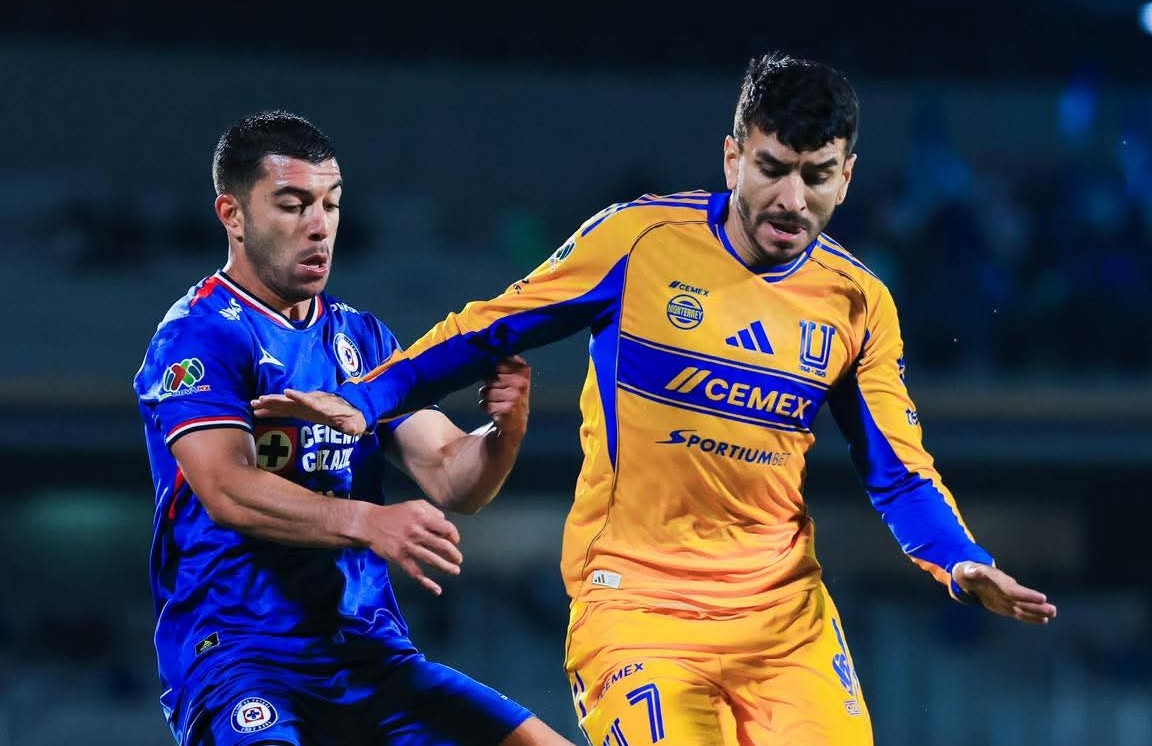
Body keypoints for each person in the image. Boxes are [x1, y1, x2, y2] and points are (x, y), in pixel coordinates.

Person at [254, 53, 1059, 745]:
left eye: (816, 176)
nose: (791, 199)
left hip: (784, 621)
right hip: (637, 605)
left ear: (845, 177)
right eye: (772, 168)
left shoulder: (858, 302)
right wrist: (370, 397)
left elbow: (898, 472)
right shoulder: (637, 242)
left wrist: (960, 559)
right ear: (732, 158)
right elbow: (488, 327)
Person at [133, 110, 576, 746]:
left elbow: (453, 478)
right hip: (241, 655)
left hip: (369, 654)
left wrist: (502, 433)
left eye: (330, 204)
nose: (318, 225)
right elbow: (227, 488)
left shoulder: (361, 338)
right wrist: (368, 522)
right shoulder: (198, 335)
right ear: (232, 215)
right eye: (292, 205)